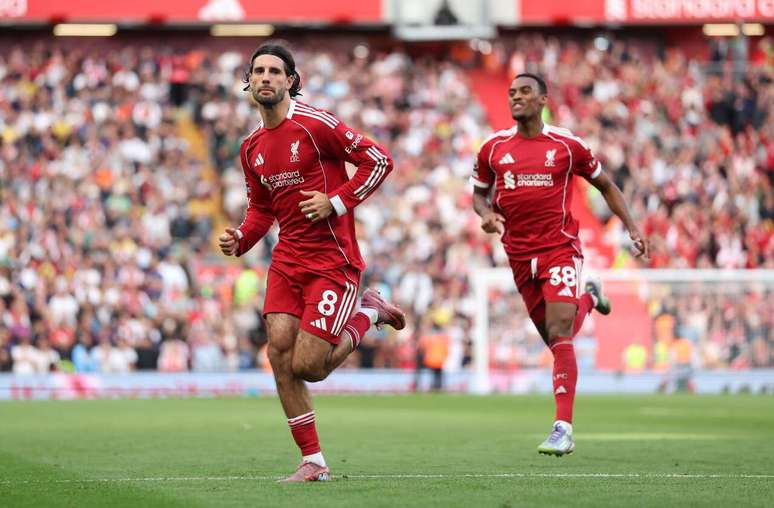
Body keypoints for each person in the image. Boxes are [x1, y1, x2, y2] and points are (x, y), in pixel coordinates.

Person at [218, 43, 406, 482]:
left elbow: (379, 160)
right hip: (287, 259)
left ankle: (368, 313)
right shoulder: (251, 148)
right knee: (278, 352)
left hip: (332, 261)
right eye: (258, 71)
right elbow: (261, 210)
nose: (266, 77)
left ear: (290, 81)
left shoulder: (315, 124)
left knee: (309, 366)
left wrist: (336, 203)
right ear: (249, 82)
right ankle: (314, 462)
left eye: (275, 72)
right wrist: (240, 238)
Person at [471, 73, 650, 456]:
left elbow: (606, 186)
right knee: (556, 338)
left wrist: (633, 228)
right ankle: (588, 297)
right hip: (519, 256)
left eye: (524, 92)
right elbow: (478, 196)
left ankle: (562, 429)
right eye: (511, 93)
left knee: (560, 330)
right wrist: (486, 215)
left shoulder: (568, 145)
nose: (516, 97)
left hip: (559, 249)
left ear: (542, 100)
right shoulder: (492, 148)